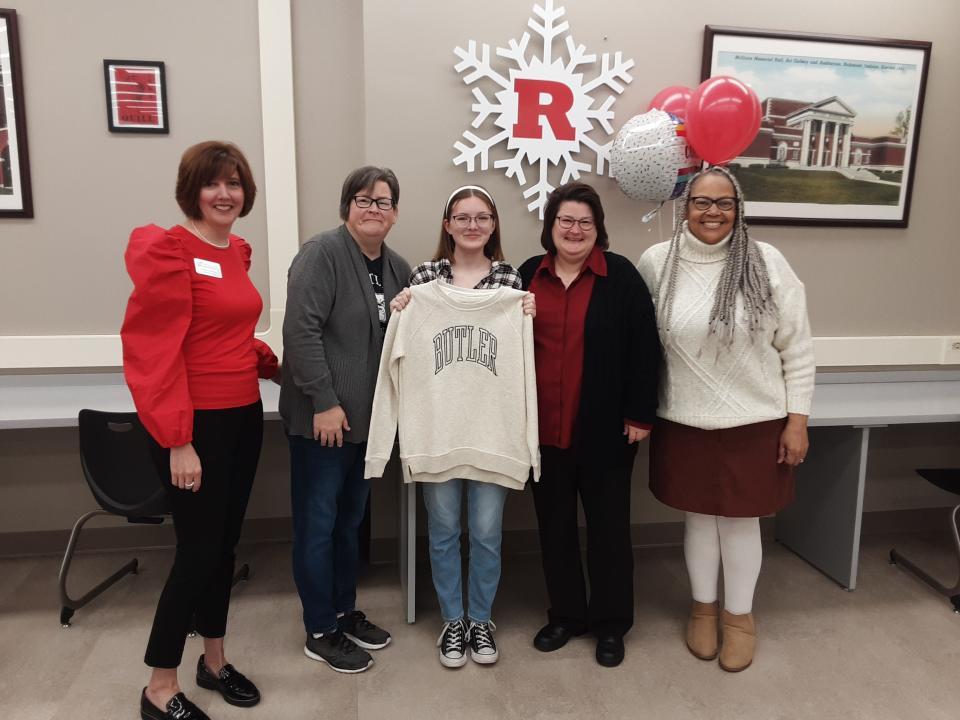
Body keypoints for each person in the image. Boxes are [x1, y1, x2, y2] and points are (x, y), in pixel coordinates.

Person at [121, 141, 278, 720]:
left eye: (234, 183)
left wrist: (276, 364)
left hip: (243, 414)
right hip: (195, 425)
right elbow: (153, 352)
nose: (225, 194)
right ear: (192, 189)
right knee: (197, 552)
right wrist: (178, 438)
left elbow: (224, 333)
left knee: (225, 547)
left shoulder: (235, 250)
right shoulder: (170, 251)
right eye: (213, 183)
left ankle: (214, 662)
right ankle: (160, 685)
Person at [637, 165, 815, 672]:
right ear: (684, 205)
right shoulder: (657, 263)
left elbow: (797, 348)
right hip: (684, 416)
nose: (712, 213)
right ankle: (703, 608)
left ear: (739, 209)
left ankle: (739, 618)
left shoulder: (767, 262)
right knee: (698, 516)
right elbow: (638, 341)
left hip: (755, 419)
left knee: (740, 523)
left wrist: (797, 420)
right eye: (701, 202)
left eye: (724, 203)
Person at [387, 185, 536, 668]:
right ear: (447, 225)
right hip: (440, 429)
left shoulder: (511, 282)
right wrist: (401, 312)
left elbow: (524, 354)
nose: (473, 225)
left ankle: (481, 618)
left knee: (487, 530)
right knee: (445, 529)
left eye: (482, 217)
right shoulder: (425, 277)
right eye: (462, 217)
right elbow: (406, 345)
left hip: (493, 430)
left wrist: (528, 313)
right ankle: (454, 620)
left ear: (494, 225)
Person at [518, 181, 661, 668]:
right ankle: (566, 616)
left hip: (606, 432)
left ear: (598, 230)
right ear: (550, 227)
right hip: (542, 433)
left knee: (609, 532)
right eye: (565, 221)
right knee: (554, 528)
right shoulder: (524, 276)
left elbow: (646, 349)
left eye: (585, 222)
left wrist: (640, 414)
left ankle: (611, 624)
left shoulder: (620, 277)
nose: (574, 230)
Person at [279, 166, 411, 674]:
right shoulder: (322, 254)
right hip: (323, 421)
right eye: (363, 199)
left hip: (366, 423)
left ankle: (342, 611)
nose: (373, 208)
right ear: (346, 207)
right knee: (317, 525)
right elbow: (301, 332)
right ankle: (319, 629)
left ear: (396, 213)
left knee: (349, 523)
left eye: (383, 201)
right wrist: (324, 402)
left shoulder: (397, 266)